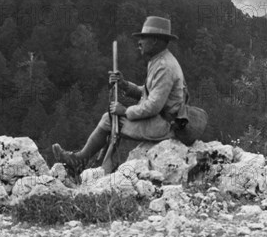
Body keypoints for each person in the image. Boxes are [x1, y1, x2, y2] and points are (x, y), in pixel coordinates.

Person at [52, 16, 188, 170]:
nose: (139, 42)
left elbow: (153, 106)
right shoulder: (158, 60)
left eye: (143, 38)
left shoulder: (164, 66)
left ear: (155, 40)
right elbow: (147, 92)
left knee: (109, 120)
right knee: (110, 118)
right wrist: (124, 85)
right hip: (159, 120)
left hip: (164, 125)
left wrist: (125, 111)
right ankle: (82, 160)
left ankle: (79, 160)